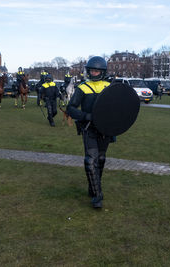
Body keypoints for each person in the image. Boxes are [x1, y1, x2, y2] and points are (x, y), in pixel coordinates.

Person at [67, 56, 111, 209]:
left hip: (105, 130)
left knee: (101, 159)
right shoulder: (82, 88)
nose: (94, 73)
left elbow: (118, 106)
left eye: (97, 71)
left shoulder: (110, 87)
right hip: (89, 129)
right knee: (90, 161)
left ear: (102, 72)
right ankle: (98, 195)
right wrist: (86, 116)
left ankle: (93, 187)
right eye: (92, 70)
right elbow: (70, 108)